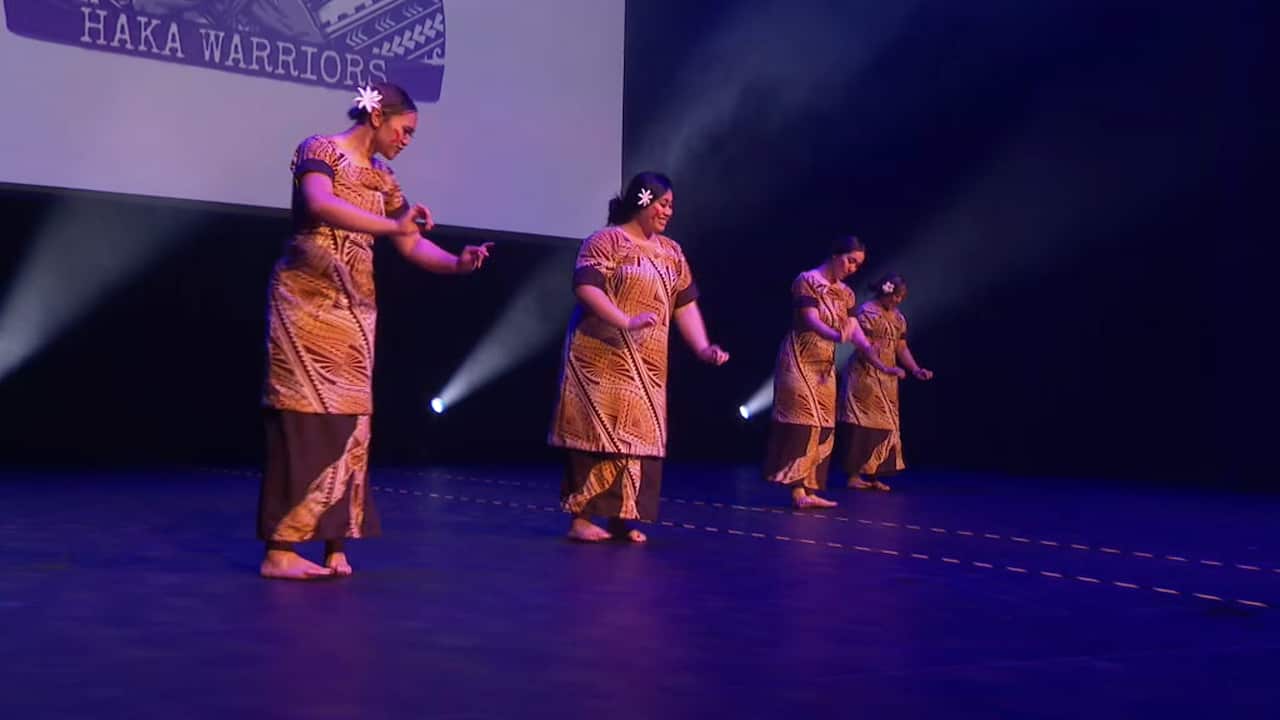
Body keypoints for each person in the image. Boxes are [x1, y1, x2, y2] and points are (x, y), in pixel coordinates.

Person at [258, 82, 492, 579]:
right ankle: (281, 550)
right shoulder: (321, 149)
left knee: (351, 425)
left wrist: (457, 263)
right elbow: (319, 202)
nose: (406, 140)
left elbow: (411, 244)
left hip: (354, 312)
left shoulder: (384, 178)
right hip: (305, 305)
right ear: (378, 116)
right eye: (404, 129)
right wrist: (392, 227)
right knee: (303, 420)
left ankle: (334, 542)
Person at [549, 172, 729, 543]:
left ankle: (621, 517)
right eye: (663, 203)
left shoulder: (672, 252)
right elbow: (586, 288)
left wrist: (702, 347)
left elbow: (685, 305)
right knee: (597, 434)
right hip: (599, 357)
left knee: (638, 437)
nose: (668, 211)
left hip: (646, 364)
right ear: (643, 200)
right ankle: (582, 519)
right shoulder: (605, 241)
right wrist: (625, 320)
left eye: (671, 206)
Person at [764, 237, 903, 508]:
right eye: (850, 261)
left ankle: (810, 488)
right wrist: (837, 335)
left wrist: (877, 358)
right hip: (799, 358)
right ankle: (797, 492)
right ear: (836, 255)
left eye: (858, 265)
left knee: (824, 425)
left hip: (824, 366)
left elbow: (854, 330)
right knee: (805, 421)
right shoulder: (807, 280)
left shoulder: (846, 293)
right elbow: (810, 319)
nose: (853, 268)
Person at [838, 273, 933, 492]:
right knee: (861, 424)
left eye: (901, 297)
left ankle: (874, 474)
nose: (898, 300)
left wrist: (915, 369)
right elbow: (862, 345)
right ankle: (854, 475)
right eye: (896, 295)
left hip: (888, 377)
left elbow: (901, 347)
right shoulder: (867, 312)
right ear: (885, 291)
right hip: (864, 375)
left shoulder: (899, 318)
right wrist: (882, 366)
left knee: (885, 424)